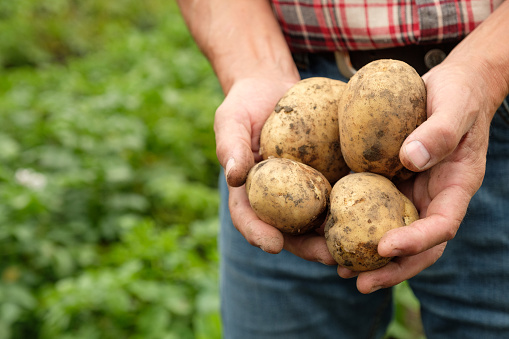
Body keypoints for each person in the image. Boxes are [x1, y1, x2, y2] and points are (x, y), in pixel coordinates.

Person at [177, 1, 509, 338]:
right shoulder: (284, 156)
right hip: (291, 72)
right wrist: (251, 65)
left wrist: (488, 68)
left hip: (477, 97)